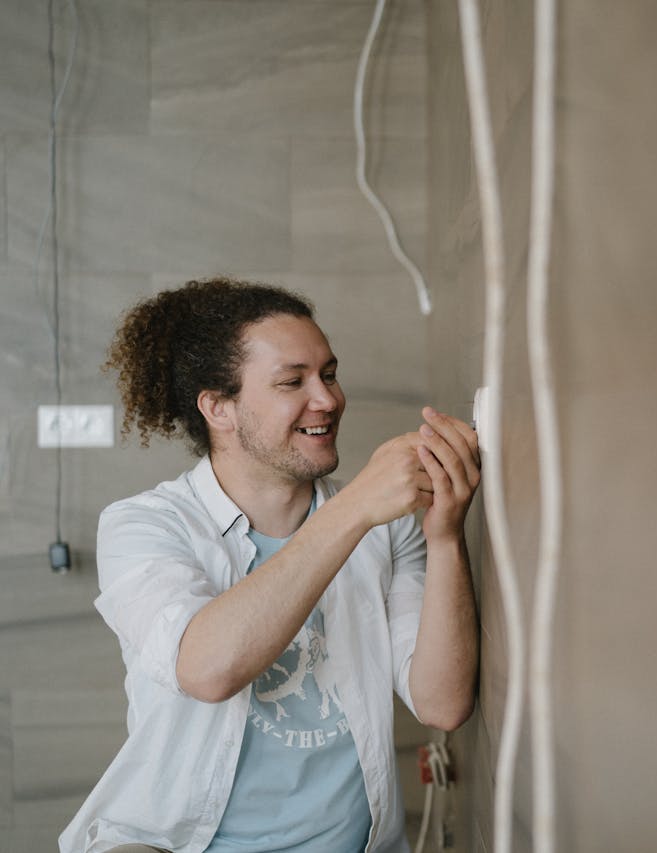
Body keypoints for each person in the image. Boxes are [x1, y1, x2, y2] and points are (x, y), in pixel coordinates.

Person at [59, 278, 480, 853]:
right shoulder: (144, 526)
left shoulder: (389, 525)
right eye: (292, 382)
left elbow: (442, 703)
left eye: (328, 373)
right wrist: (355, 505)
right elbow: (207, 668)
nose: (328, 400)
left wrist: (447, 534)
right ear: (219, 408)